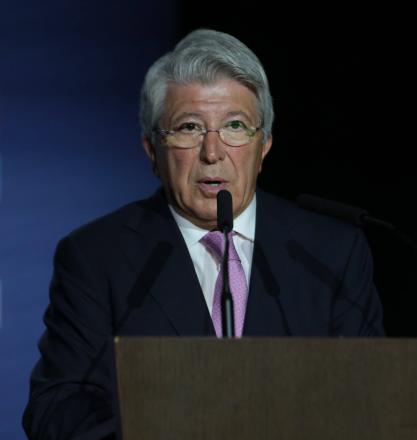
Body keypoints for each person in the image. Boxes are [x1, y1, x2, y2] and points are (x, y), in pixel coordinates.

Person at [23, 29, 384, 439]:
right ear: (151, 150)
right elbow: (57, 413)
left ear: (263, 145)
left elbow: (369, 404)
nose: (213, 152)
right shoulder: (95, 258)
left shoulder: (331, 254)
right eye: (189, 128)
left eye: (234, 126)